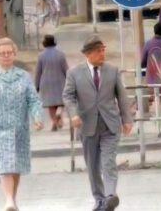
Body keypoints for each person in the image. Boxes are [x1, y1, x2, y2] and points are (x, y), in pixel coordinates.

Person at [63, 36, 133, 211]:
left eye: (103, 50)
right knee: (93, 166)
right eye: (98, 51)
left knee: (108, 161)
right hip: (87, 125)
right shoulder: (74, 73)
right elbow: (68, 96)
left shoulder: (112, 71)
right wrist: (73, 115)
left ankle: (110, 196)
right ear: (88, 54)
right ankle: (99, 199)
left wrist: (127, 119)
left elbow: (122, 96)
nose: (102, 54)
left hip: (110, 124)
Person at [0, 37, 44, 211]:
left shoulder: (24, 76)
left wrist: (37, 117)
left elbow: (33, 100)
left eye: (9, 52)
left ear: (14, 54)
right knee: (4, 165)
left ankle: (12, 199)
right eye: (2, 53)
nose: (6, 56)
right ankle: (8, 200)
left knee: (15, 166)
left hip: (19, 129)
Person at [34, 34, 69, 131]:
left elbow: (38, 72)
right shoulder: (61, 54)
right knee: (61, 102)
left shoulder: (41, 56)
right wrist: (70, 81)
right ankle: (59, 112)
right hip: (60, 81)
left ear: (44, 43)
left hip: (46, 83)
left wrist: (36, 85)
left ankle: (54, 122)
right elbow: (66, 70)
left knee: (51, 105)